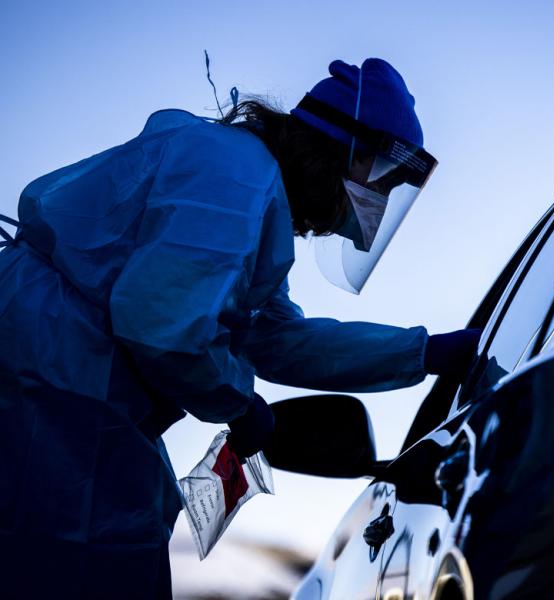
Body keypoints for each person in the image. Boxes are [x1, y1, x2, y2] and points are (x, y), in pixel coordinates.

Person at [0, 58, 479, 598]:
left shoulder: (253, 190)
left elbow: (277, 341)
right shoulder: (233, 173)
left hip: (70, 383)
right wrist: (239, 403)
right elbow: (161, 324)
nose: (376, 205)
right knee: (79, 567)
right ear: (353, 151)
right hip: (48, 376)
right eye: (381, 183)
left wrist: (423, 352)